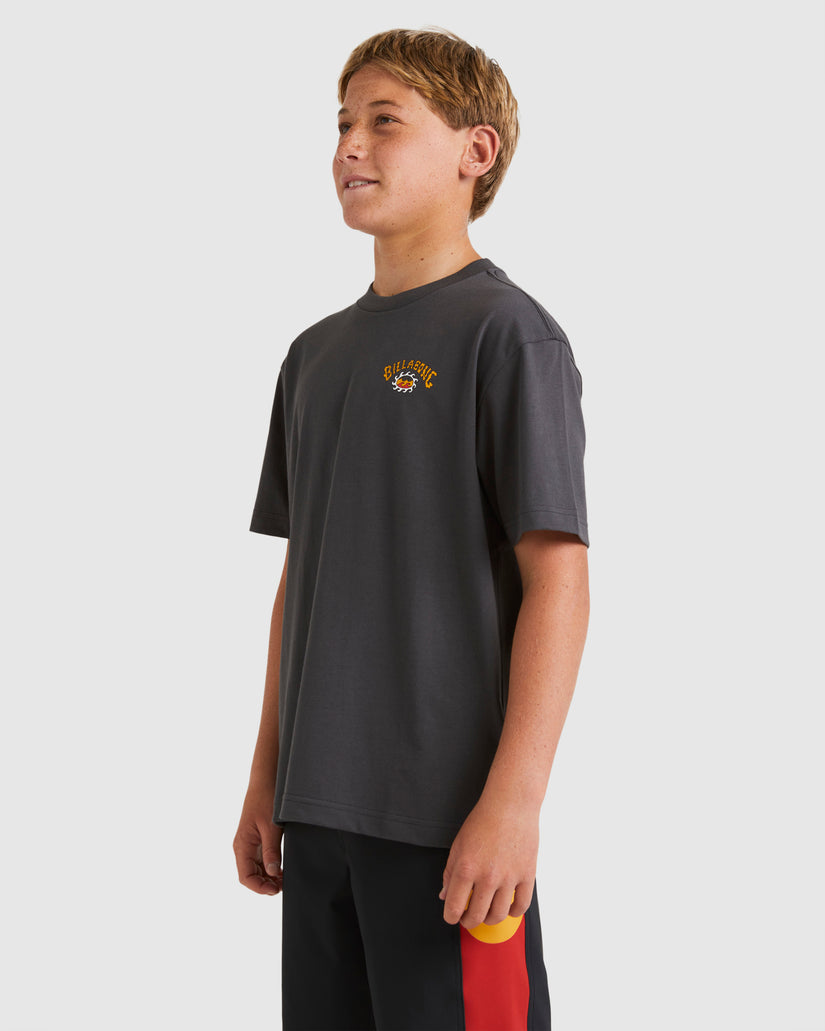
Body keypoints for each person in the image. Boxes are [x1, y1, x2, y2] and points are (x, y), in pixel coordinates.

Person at [233, 27, 590, 1031]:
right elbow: (304, 574)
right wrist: (267, 775)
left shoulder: (507, 334)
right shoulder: (313, 356)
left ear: (475, 152)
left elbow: (559, 578)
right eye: (343, 122)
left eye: (384, 121)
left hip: (451, 827)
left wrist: (513, 804)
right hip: (318, 817)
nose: (350, 144)